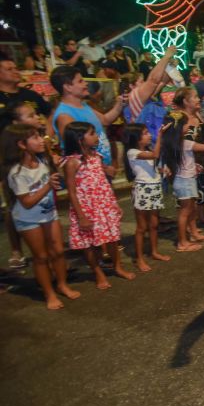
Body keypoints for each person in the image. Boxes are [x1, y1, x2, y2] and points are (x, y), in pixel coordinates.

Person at [1, 124, 80, 309]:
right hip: (28, 219)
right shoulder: (16, 172)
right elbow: (27, 202)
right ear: (21, 144)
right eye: (35, 137)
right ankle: (49, 293)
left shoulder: (43, 161)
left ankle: (62, 284)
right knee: (41, 257)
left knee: (58, 252)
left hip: (49, 214)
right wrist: (47, 186)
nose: (40, 140)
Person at [62, 122, 135, 288]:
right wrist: (81, 216)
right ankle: (98, 273)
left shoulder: (96, 157)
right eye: (92, 133)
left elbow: (104, 183)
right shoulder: (71, 163)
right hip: (86, 209)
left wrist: (113, 204)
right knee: (90, 244)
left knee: (112, 239)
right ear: (80, 139)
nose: (96, 137)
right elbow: (72, 192)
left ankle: (117, 267)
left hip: (104, 205)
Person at [0, 55, 53, 269]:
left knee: (42, 196)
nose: (15, 70)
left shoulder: (29, 95)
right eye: (9, 68)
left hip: (35, 154)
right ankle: (16, 250)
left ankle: (47, 248)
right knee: (14, 204)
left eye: (15, 66)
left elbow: (48, 114)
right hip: (9, 158)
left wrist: (46, 139)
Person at [50, 66, 125, 178]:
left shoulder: (83, 105)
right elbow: (76, 152)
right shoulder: (64, 116)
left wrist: (120, 104)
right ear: (68, 87)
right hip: (88, 176)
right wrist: (103, 168)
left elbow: (105, 120)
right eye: (80, 81)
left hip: (98, 170)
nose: (86, 83)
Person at [159, 112, 204, 252]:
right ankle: (182, 242)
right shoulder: (185, 143)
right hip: (185, 181)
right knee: (185, 212)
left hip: (185, 180)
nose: (188, 126)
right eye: (185, 124)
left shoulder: (173, 143)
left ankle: (194, 233)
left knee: (191, 209)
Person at [122, 123, 170, 273]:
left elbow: (152, 165)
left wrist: (163, 170)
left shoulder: (147, 150)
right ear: (136, 138)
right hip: (143, 190)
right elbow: (155, 156)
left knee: (154, 224)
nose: (149, 135)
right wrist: (160, 134)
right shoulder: (132, 152)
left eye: (148, 132)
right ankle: (139, 258)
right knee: (142, 227)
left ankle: (154, 251)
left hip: (154, 187)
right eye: (145, 133)